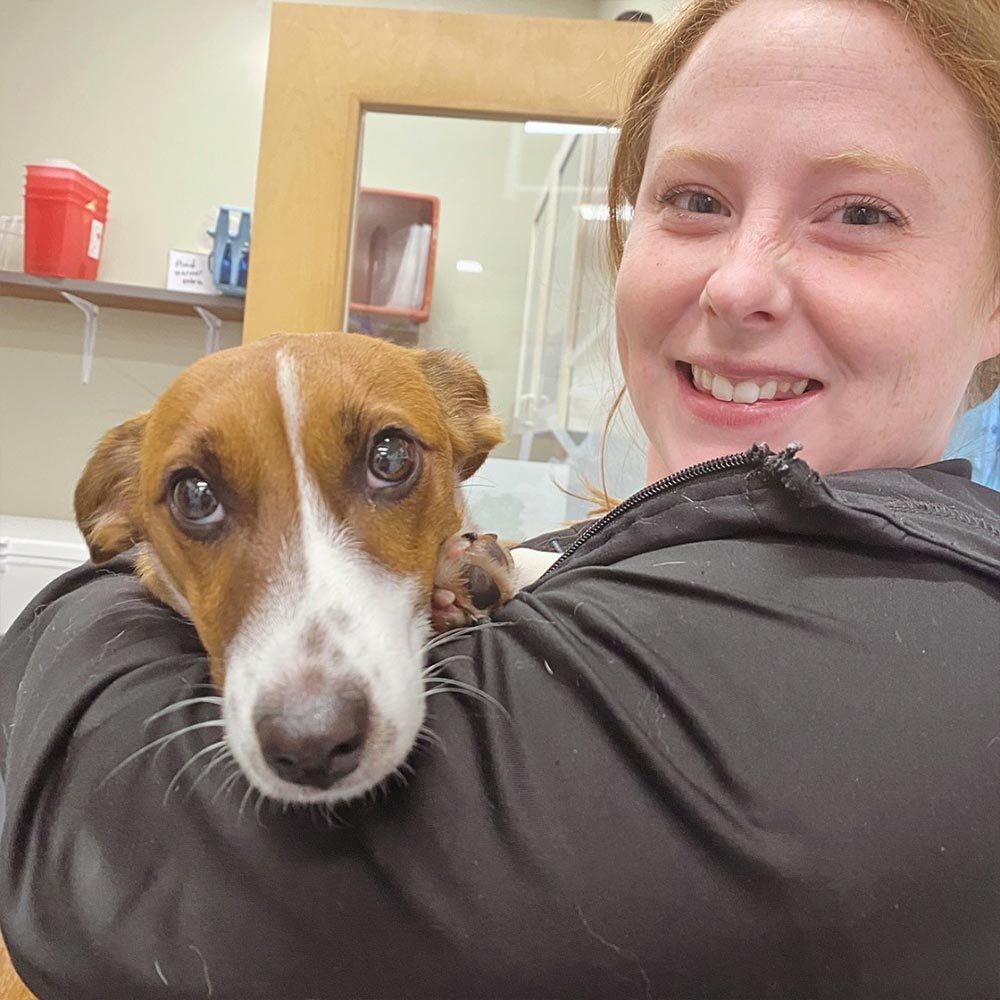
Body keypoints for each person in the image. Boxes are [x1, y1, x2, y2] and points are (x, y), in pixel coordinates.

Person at [2, 0, 999, 996]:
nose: (740, 286)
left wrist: (91, 610)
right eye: (695, 199)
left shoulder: (934, 663)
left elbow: (147, 873)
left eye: (862, 213)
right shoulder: (627, 546)